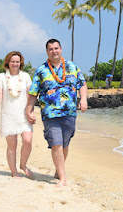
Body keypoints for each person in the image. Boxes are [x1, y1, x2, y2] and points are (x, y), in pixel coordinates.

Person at [26, 39, 87, 187]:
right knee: (56, 144)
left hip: (70, 112)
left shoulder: (72, 66)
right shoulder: (41, 70)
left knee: (65, 144)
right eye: (51, 49)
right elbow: (33, 92)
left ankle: (58, 171)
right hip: (50, 114)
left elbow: (82, 84)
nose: (54, 51)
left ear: (61, 49)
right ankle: (62, 178)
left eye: (56, 48)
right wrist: (29, 110)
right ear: (47, 51)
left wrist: (83, 99)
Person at [0, 51, 33, 178]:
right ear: (8, 62)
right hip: (8, 114)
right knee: (12, 145)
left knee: (28, 141)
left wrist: (30, 111)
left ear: (21, 63)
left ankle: (23, 165)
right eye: (13, 61)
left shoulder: (25, 76)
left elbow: (30, 95)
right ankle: (14, 172)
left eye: (17, 62)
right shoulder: (1, 77)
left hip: (24, 114)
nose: (15, 64)